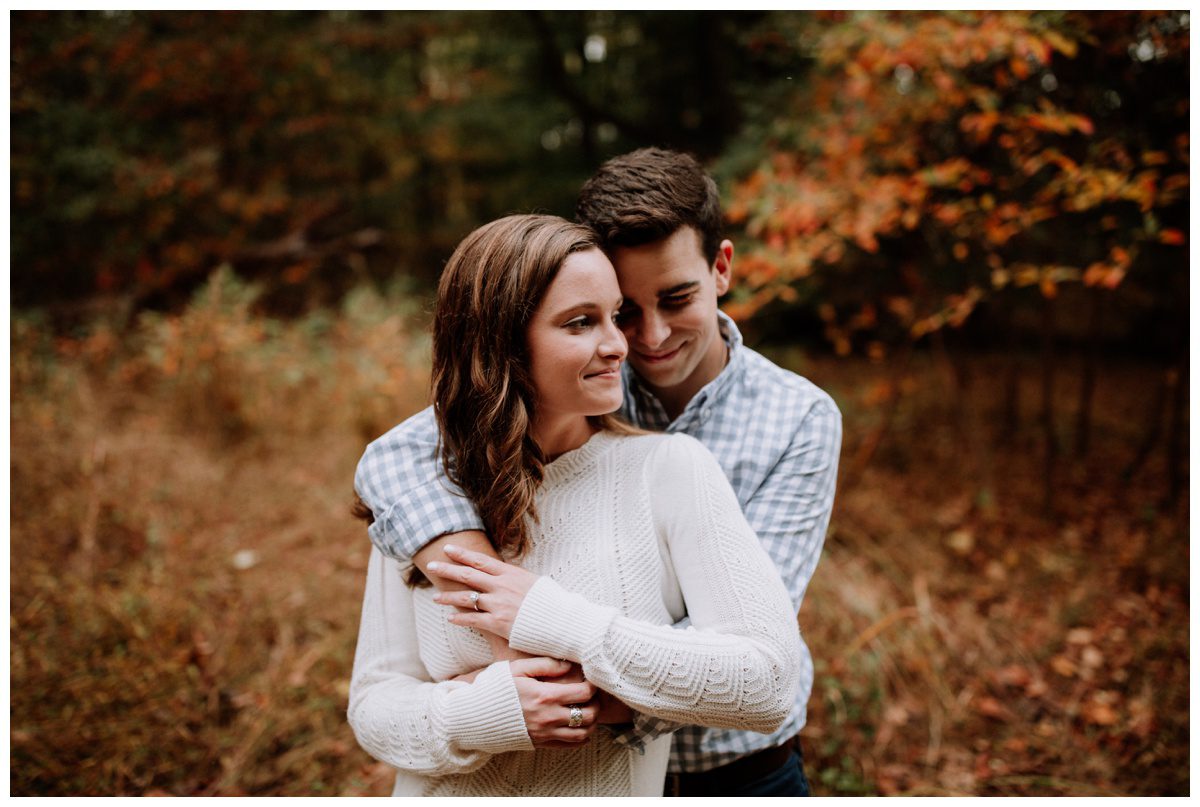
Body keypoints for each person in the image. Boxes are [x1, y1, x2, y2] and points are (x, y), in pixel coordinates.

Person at [356, 148, 842, 796]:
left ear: (721, 268)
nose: (643, 339)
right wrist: (483, 704)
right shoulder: (438, 478)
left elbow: (757, 665)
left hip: (732, 765)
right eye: (614, 313)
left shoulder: (784, 421)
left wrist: (545, 649)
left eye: (675, 298)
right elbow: (397, 453)